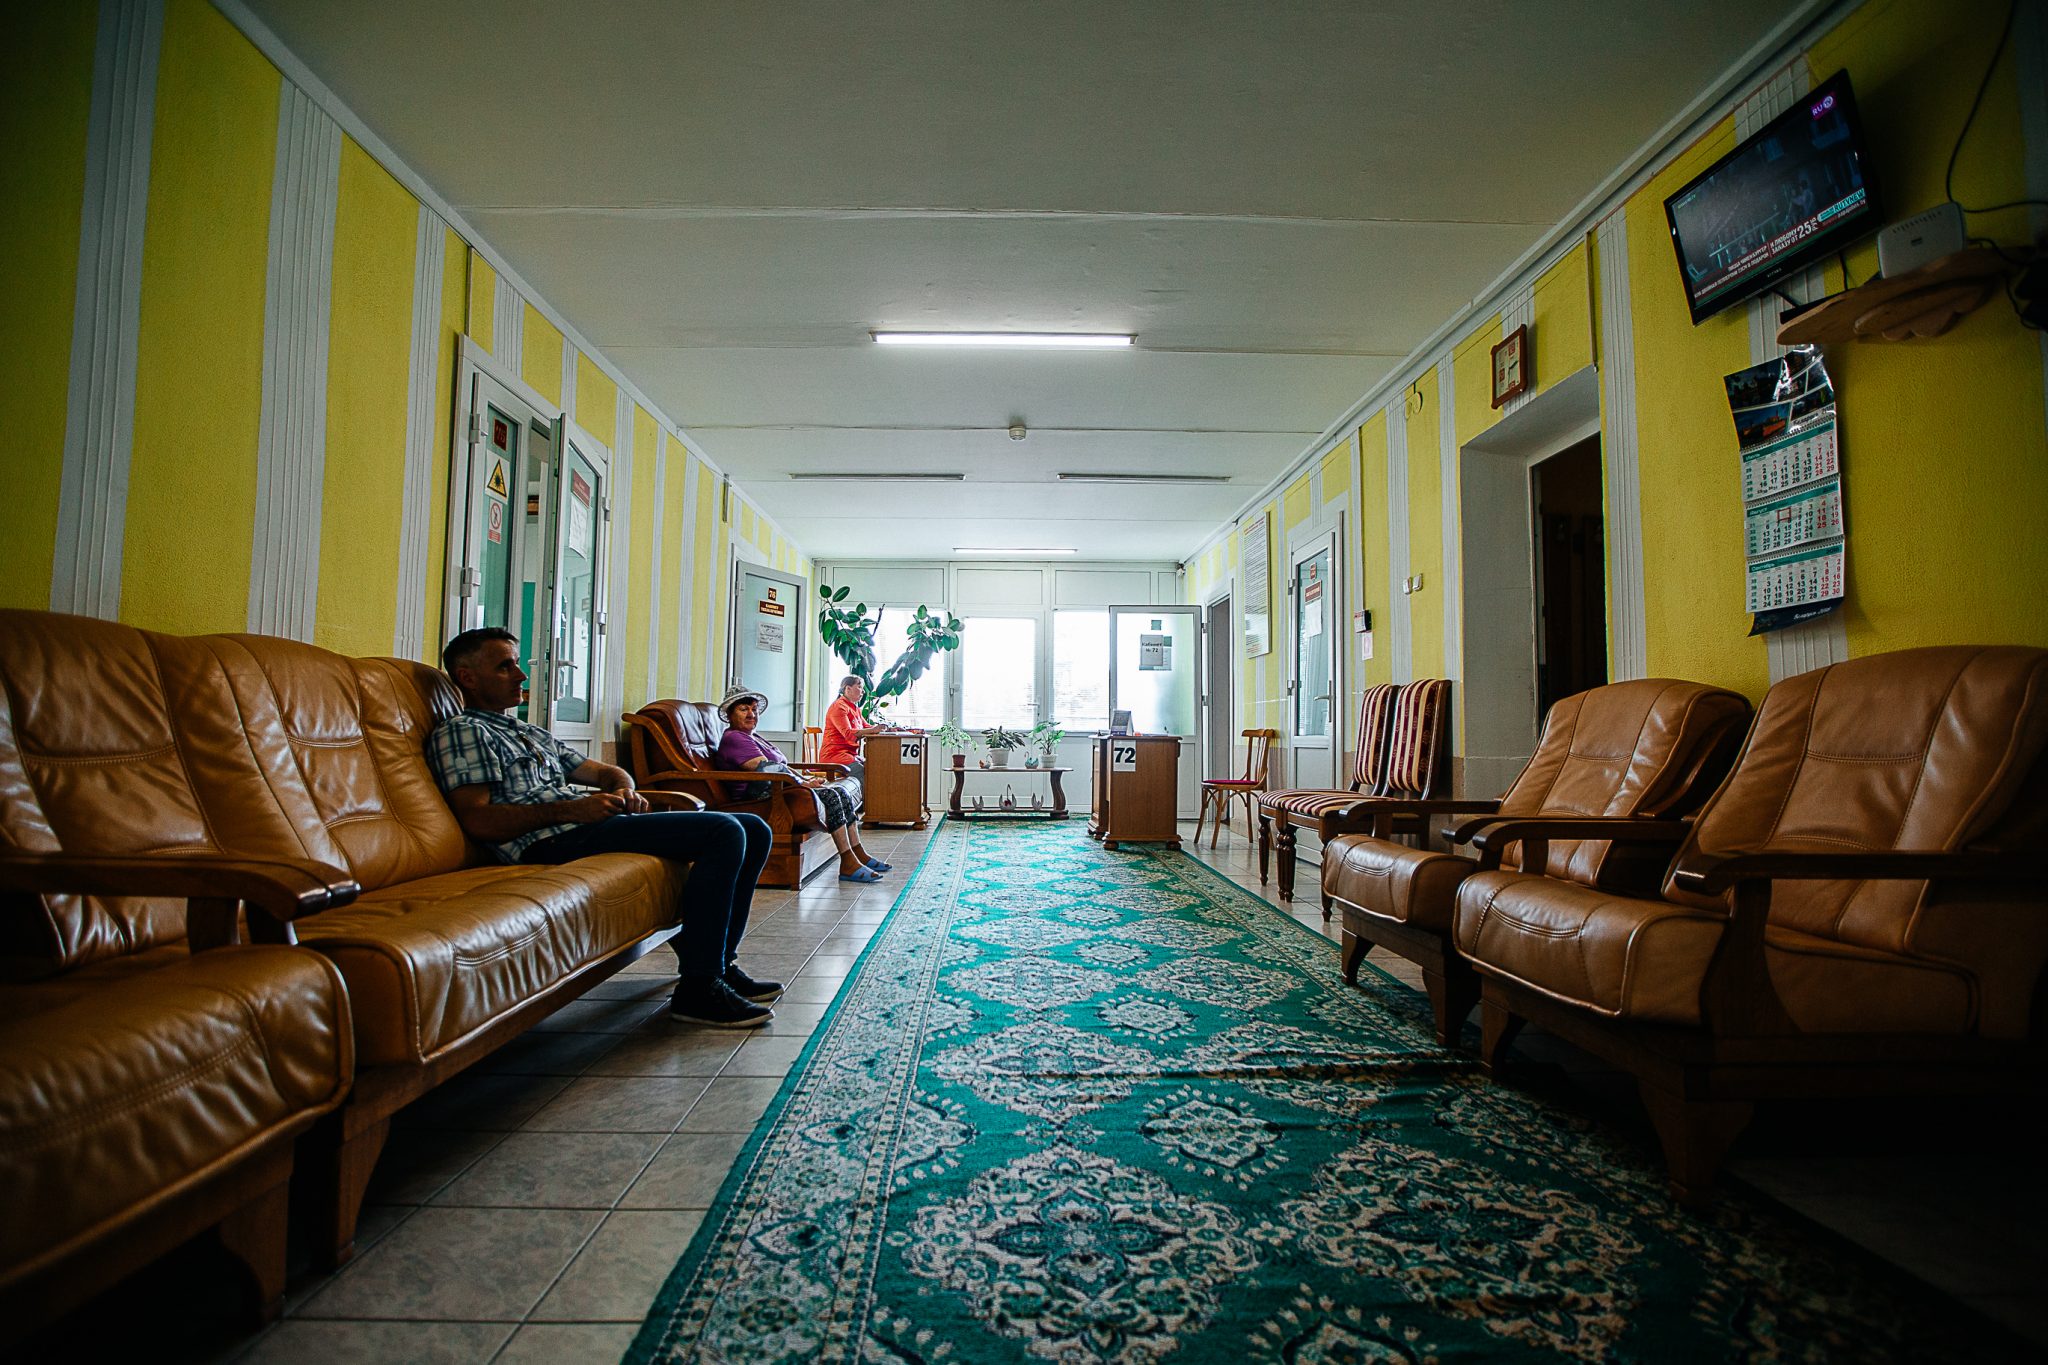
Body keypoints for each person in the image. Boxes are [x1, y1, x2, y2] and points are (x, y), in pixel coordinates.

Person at [426, 627, 780, 1029]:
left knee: (754, 828)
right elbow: (479, 819)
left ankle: (720, 965)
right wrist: (573, 810)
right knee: (725, 831)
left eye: (517, 664)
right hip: (547, 841)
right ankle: (699, 987)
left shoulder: (526, 731)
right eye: (505, 667)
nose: (522, 675)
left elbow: (605, 771)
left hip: (583, 826)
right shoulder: (463, 731)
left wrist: (623, 790)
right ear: (468, 677)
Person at [714, 686, 891, 883]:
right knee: (831, 795)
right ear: (729, 714)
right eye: (744, 709)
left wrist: (805, 782)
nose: (751, 714)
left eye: (754, 709)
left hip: (777, 790)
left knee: (840, 792)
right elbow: (768, 769)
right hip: (761, 800)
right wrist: (804, 783)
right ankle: (848, 862)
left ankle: (858, 853)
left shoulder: (752, 736)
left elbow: (780, 768)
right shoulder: (735, 738)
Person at [817, 674, 887, 782]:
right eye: (859, 687)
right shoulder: (839, 707)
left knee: (873, 766)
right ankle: (869, 794)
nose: (863, 691)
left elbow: (867, 727)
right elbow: (848, 734)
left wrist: (887, 728)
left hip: (848, 755)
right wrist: (873, 730)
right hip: (834, 755)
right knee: (861, 771)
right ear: (848, 689)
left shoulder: (855, 708)